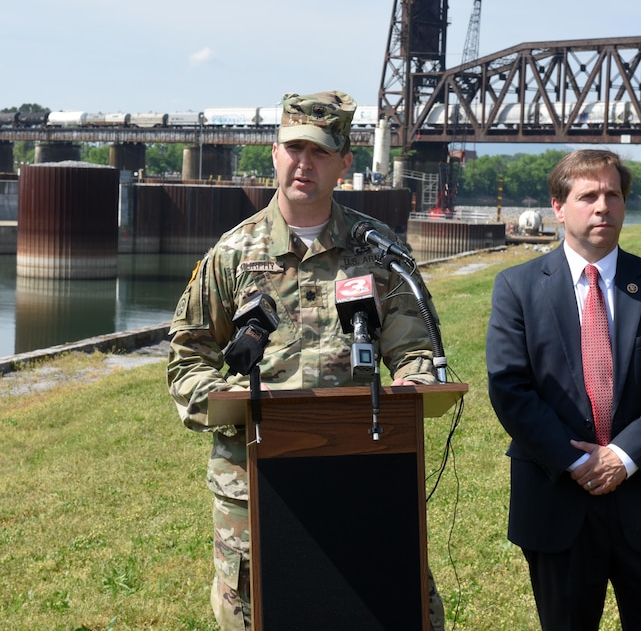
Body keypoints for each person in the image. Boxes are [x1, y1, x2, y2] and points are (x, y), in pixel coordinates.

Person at [167, 90, 445, 630]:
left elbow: (413, 349)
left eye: (319, 152)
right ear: (274, 154)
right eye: (294, 148)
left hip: (364, 468)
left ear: (344, 163)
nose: (304, 163)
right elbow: (187, 361)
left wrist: (414, 380)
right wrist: (234, 401)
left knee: (390, 605)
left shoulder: (379, 250)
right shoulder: (232, 255)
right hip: (255, 477)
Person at [485, 149, 641, 630]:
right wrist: (579, 461)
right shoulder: (517, 287)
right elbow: (509, 387)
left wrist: (622, 456)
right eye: (588, 195)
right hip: (557, 499)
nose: (603, 206)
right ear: (559, 208)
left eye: (613, 194)